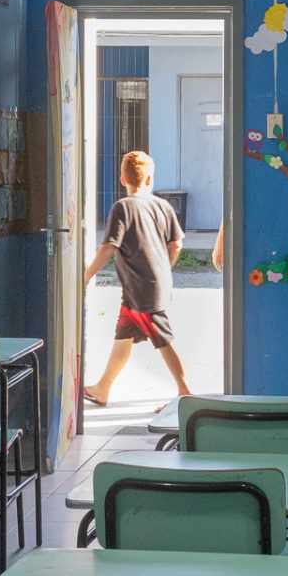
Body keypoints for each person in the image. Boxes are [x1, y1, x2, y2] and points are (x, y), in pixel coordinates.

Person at [82, 150, 191, 405]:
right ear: (150, 179)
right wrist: (164, 267)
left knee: (161, 337)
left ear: (122, 179)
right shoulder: (163, 205)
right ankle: (102, 388)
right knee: (123, 335)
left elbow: (108, 246)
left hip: (142, 289)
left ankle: (185, 390)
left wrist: (86, 276)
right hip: (144, 287)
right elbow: (177, 244)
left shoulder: (123, 207)